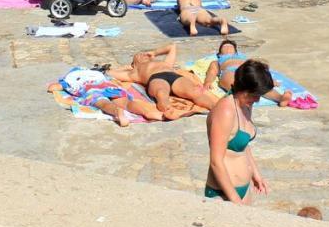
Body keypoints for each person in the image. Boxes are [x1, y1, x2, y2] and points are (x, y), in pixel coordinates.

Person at [205, 59, 273, 203]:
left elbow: (242, 144)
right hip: (223, 194)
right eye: (255, 95)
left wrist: (256, 174)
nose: (257, 100)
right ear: (243, 88)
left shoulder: (245, 104)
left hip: (243, 189)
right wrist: (235, 201)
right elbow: (216, 161)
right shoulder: (225, 111)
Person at [111, 42, 219, 117]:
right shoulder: (134, 72)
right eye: (138, 55)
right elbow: (109, 73)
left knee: (195, 91)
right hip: (156, 78)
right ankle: (168, 110)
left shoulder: (165, 63)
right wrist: (125, 68)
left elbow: (172, 47)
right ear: (133, 64)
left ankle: (215, 108)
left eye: (144, 54)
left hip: (173, 76)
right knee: (161, 93)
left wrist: (155, 53)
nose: (143, 55)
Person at [203, 39, 294, 106]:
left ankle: (280, 97)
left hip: (246, 70)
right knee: (232, 84)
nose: (227, 49)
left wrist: (268, 79)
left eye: (230, 47)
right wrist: (208, 81)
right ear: (219, 53)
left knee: (259, 83)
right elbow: (212, 71)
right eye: (225, 47)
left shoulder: (243, 57)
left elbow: (257, 67)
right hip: (229, 70)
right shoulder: (218, 60)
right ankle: (243, 97)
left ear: (236, 51)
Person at [46, 78, 162, 128]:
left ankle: (117, 112)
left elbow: (53, 88)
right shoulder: (102, 77)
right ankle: (147, 112)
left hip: (91, 90)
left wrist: (59, 85)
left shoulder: (70, 80)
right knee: (125, 102)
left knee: (102, 103)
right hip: (108, 86)